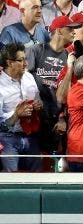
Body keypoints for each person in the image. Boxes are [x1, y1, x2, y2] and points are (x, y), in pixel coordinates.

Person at [0, 43, 43, 172]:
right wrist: (16, 115)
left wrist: (38, 105)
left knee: (38, 177)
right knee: (11, 180)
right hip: (7, 138)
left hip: (30, 136)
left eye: (25, 59)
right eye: (20, 60)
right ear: (9, 62)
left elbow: (38, 100)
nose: (25, 64)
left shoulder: (29, 77)